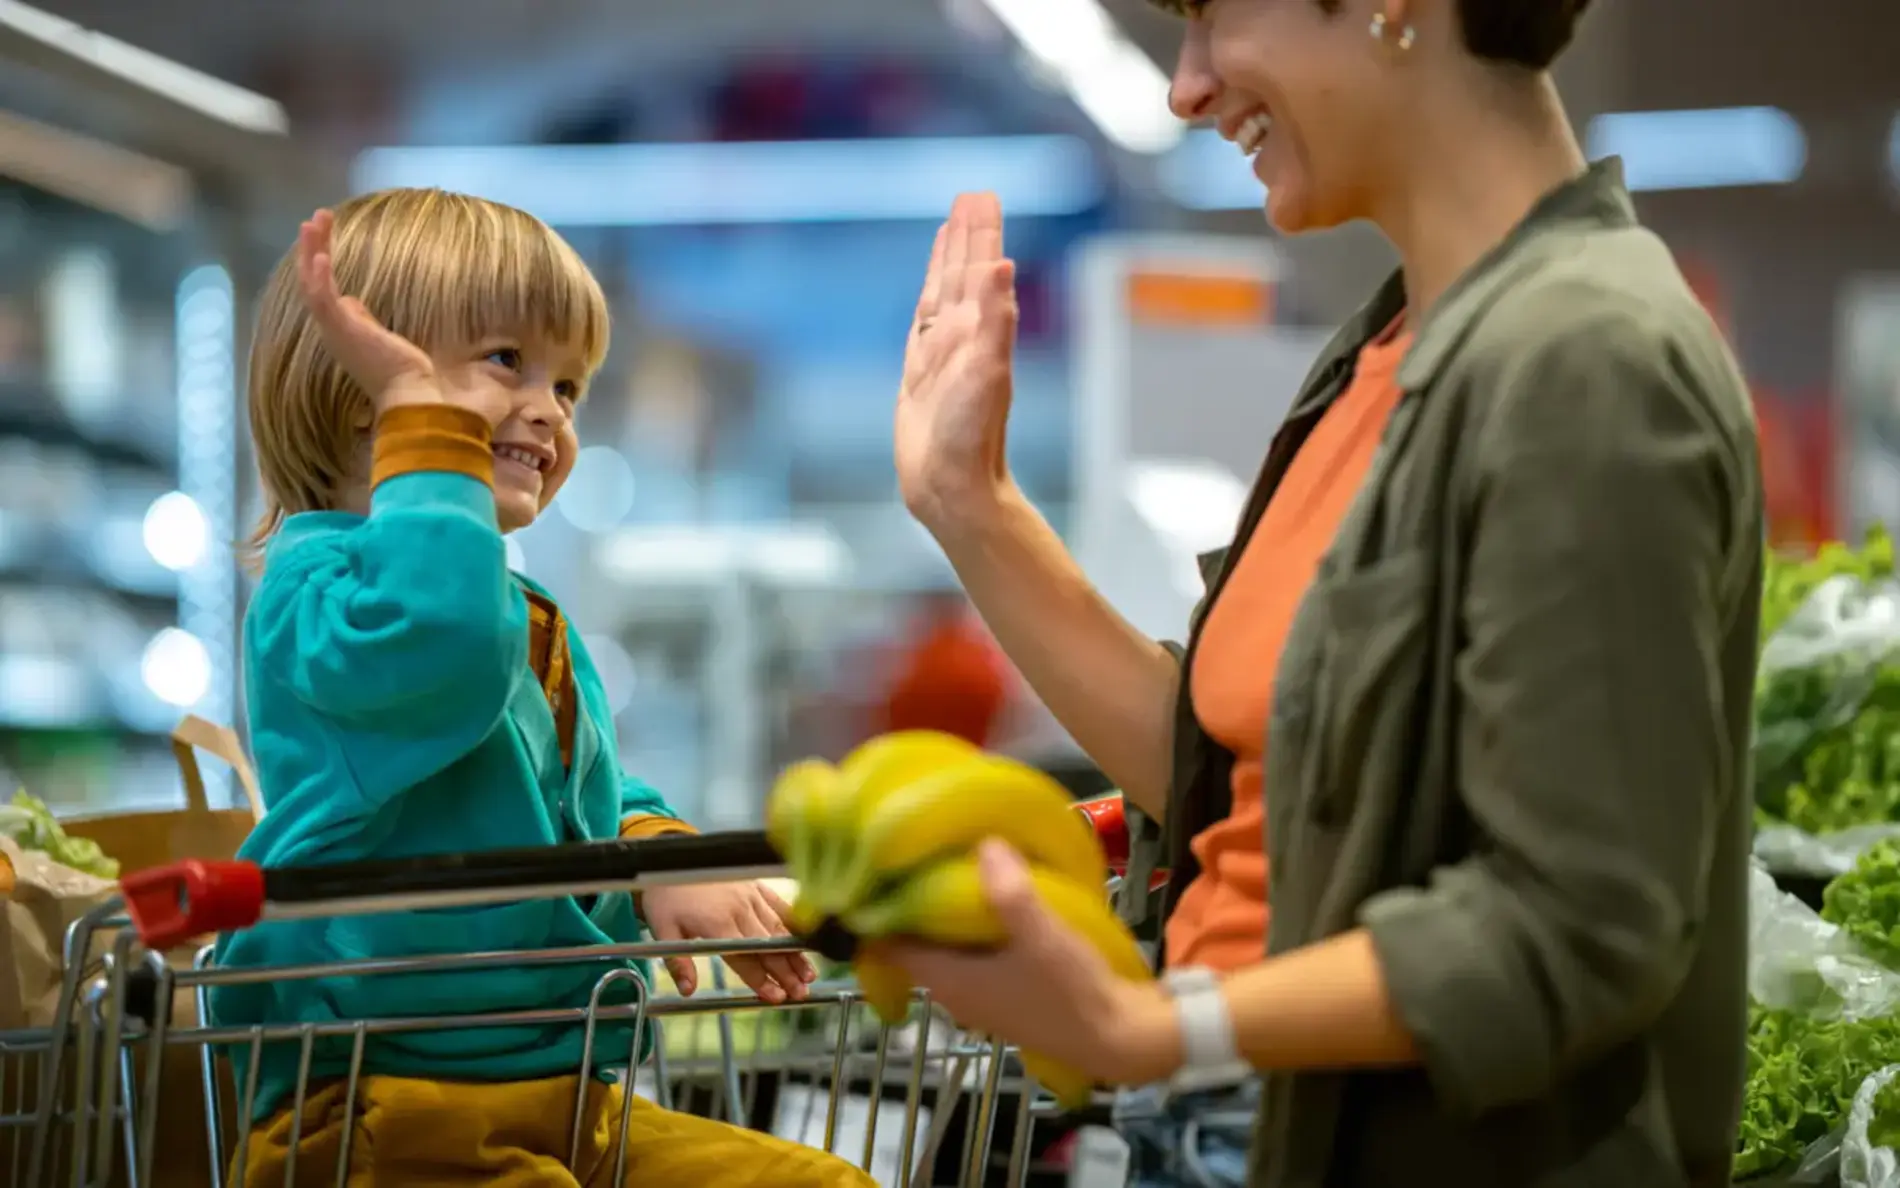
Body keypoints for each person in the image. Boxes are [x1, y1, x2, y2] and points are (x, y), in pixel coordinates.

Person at [879, 1, 1763, 1185]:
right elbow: (1223, 783)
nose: (1184, 88)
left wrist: (1154, 1029)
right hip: (1224, 1124)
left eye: (1211, 15)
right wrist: (964, 498)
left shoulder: (1587, 357)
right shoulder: (1383, 350)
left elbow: (1577, 927)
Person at [212, 190, 871, 1188]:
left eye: (570, 384)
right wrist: (425, 433)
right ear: (363, 386)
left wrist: (659, 854)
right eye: (506, 361)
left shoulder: (513, 605)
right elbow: (444, 665)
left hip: (565, 1093)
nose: (551, 411)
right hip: (387, 1111)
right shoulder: (317, 591)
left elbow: (581, 797)